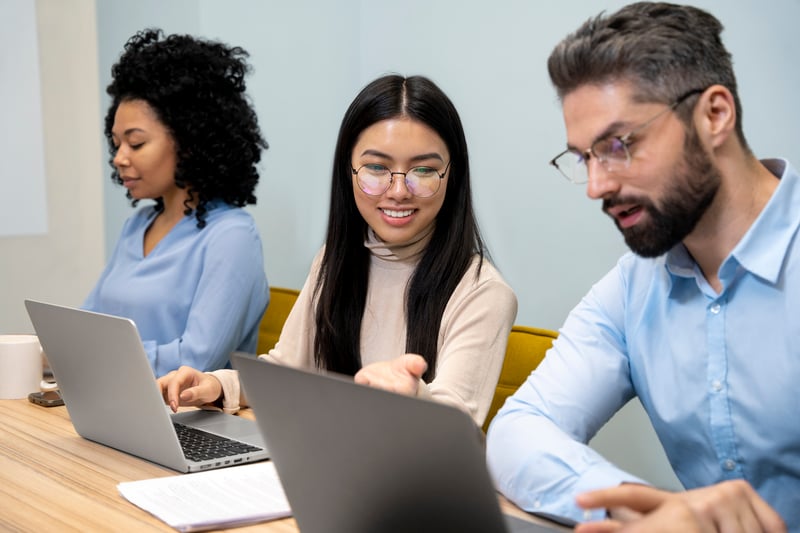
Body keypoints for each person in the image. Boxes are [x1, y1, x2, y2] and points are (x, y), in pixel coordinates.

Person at [486, 2, 796, 531]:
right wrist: (645, 508)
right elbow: (519, 430)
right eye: (585, 157)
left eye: (617, 145)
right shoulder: (635, 286)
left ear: (714, 115)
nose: (596, 186)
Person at [158, 74, 517, 426]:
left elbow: (454, 422)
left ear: (451, 177)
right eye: (376, 168)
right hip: (330, 463)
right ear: (349, 171)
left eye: (423, 170)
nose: (398, 191)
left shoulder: (483, 292)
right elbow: (288, 370)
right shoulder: (335, 259)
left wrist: (412, 395)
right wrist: (218, 384)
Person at [83, 29, 269, 377]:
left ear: (190, 141)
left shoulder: (231, 236)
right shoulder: (136, 226)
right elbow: (84, 327)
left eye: (135, 144)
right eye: (116, 143)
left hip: (188, 420)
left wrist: (94, 356)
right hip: (115, 402)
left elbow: (196, 360)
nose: (119, 158)